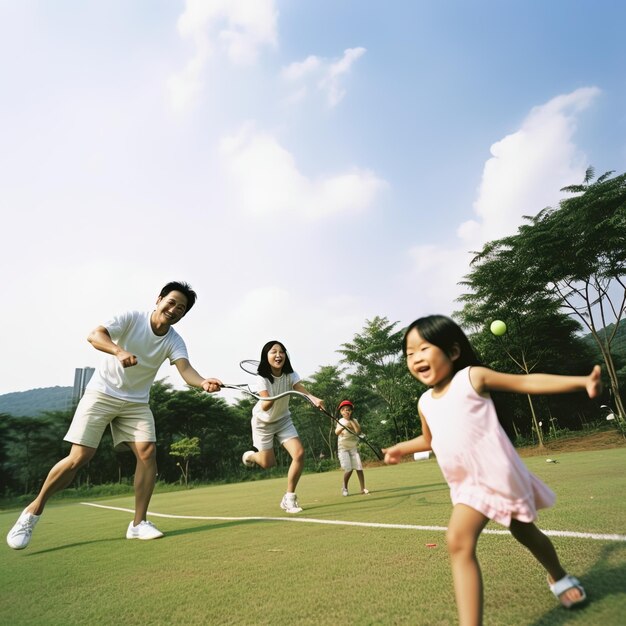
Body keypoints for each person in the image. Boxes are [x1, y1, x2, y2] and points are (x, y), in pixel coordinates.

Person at [383, 315, 600, 625]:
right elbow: (429, 440)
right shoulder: (424, 403)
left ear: (453, 352)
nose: (416, 357)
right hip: (467, 486)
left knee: (526, 533)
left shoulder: (472, 378)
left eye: (424, 348)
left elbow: (525, 382)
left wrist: (580, 382)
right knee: (459, 541)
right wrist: (400, 448)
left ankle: (558, 575)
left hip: (499, 477)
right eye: (409, 353)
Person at [6, 281, 223, 550]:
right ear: (158, 299)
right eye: (171, 302)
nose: (174, 309)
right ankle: (32, 512)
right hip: (102, 393)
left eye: (181, 308)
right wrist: (119, 351)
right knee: (79, 458)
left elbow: (186, 369)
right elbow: (95, 335)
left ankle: (138, 524)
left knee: (147, 453)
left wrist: (202, 382)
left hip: (136, 404)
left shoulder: (174, 340)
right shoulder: (132, 318)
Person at [241, 340, 324, 513]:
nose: (278, 355)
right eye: (273, 352)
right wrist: (270, 399)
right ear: (266, 356)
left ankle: (289, 498)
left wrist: (314, 399)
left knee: (299, 454)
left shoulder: (290, 374)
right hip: (263, 423)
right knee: (267, 463)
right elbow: (264, 405)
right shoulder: (262, 378)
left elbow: (301, 390)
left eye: (281, 352)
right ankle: (250, 456)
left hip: (283, 420)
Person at [335, 400, 369, 496]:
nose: (346, 411)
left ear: (351, 411)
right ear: (341, 412)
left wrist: (350, 422)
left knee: (359, 467)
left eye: (348, 410)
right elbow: (336, 433)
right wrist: (343, 427)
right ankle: (345, 487)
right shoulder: (340, 421)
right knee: (349, 469)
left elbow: (358, 431)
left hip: (353, 447)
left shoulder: (354, 421)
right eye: (344, 410)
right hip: (343, 448)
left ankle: (363, 488)